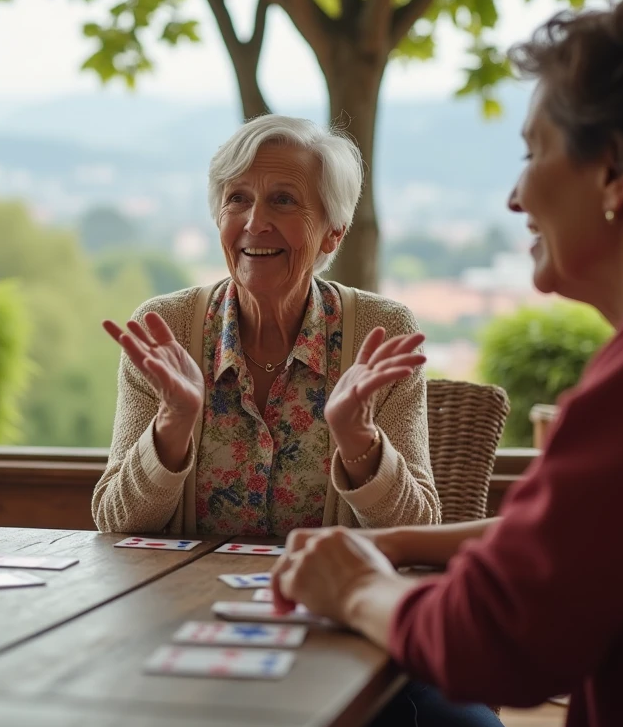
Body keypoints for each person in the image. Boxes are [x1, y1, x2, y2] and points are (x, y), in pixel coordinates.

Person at [271, 0, 623, 727]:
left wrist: (352, 590)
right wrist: (400, 543)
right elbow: (583, 542)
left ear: (613, 170)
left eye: (534, 152)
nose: (515, 196)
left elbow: (495, 643)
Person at [93, 114, 440, 537]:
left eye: (284, 200)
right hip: (184, 599)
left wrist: (360, 442)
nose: (255, 223)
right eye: (237, 198)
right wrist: (173, 423)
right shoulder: (168, 328)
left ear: (334, 232)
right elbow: (114, 522)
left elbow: (420, 528)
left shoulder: (380, 331)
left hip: (325, 598)